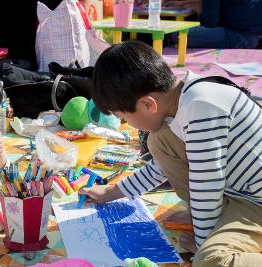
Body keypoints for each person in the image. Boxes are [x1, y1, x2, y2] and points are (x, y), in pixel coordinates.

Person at [79, 40, 262, 267]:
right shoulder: (183, 98)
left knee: (211, 261)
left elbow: (207, 185)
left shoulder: (201, 108)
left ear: (148, 104)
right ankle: (208, 219)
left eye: (125, 117)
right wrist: (111, 192)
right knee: (159, 140)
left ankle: (210, 227)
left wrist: (204, 241)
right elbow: (161, 166)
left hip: (254, 201)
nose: (128, 124)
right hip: (234, 189)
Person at [167, 0, 262, 48]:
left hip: (238, 37)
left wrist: (200, 10)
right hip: (255, 36)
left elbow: (210, 22)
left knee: (179, 34)